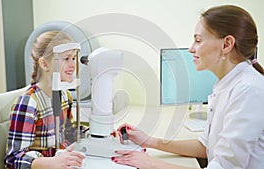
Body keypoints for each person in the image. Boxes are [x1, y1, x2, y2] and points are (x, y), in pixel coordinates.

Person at [113, 5, 264, 169]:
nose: (191, 48)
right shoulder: (227, 84)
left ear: (227, 44)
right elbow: (205, 147)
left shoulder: (249, 89)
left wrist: (151, 164)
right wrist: (149, 141)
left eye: (198, 41)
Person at [4, 31, 85, 169]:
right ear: (45, 64)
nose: (73, 64)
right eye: (66, 58)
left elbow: (69, 132)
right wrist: (52, 163)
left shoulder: (64, 96)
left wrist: (97, 134)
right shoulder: (29, 103)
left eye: (73, 58)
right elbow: (13, 159)